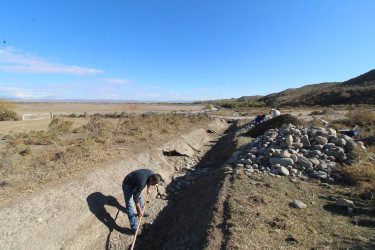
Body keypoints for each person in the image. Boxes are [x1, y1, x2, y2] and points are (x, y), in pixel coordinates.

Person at [122, 169, 162, 235]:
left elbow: (149, 181)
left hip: (135, 182)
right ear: (151, 179)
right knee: (130, 206)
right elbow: (135, 197)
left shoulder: (152, 174)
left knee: (139, 197)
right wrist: (140, 209)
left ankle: (139, 212)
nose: (154, 185)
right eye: (153, 184)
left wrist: (148, 188)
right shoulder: (142, 182)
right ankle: (134, 227)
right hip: (127, 185)